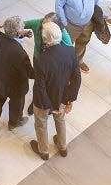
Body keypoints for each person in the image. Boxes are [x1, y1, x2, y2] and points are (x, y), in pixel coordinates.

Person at [30, 22, 82, 160]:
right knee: (60, 120)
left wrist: (49, 106)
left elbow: (40, 86)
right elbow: (76, 78)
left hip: (43, 101)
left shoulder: (41, 59)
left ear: (44, 38)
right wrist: (70, 99)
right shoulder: (71, 52)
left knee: (41, 124)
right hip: (62, 97)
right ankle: (62, 146)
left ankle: (44, 151)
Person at [0, 16, 34, 135]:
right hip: (16, 87)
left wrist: (16, 32)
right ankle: (14, 123)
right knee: (16, 105)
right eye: (23, 28)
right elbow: (31, 73)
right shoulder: (21, 54)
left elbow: (0, 31)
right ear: (18, 32)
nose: (25, 29)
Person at [23, 12, 73, 115]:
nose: (43, 28)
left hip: (53, 65)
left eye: (47, 26)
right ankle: (35, 102)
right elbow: (21, 24)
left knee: (50, 85)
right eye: (43, 25)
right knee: (38, 83)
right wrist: (6, 25)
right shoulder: (38, 23)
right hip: (39, 60)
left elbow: (70, 53)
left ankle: (50, 105)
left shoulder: (63, 35)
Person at [55, 0, 100, 73]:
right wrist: (65, 23)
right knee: (66, 46)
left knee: (83, 42)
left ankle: (78, 61)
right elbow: (59, 6)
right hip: (71, 24)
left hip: (88, 22)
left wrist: (93, 11)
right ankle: (63, 65)